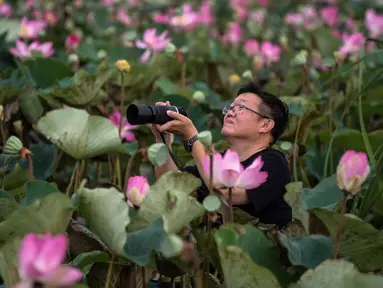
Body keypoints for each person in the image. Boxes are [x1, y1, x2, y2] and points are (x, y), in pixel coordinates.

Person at [149, 81, 292, 229]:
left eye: (241, 107)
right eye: (230, 107)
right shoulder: (220, 160)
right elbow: (170, 187)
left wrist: (192, 138)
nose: (231, 112)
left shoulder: (274, 162)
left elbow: (227, 193)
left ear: (265, 125)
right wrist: (163, 142)